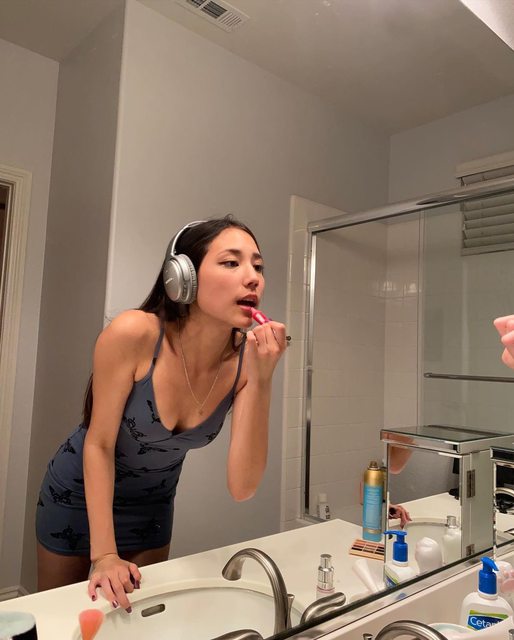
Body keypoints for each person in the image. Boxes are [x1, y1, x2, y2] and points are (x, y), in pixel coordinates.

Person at [36, 216, 287, 612]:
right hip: (77, 496)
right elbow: (99, 444)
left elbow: (243, 488)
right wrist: (104, 555)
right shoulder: (134, 334)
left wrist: (262, 379)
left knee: (139, 621)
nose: (253, 277)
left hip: (152, 508)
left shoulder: (245, 362)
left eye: (258, 266)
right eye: (231, 262)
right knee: (63, 620)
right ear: (182, 276)